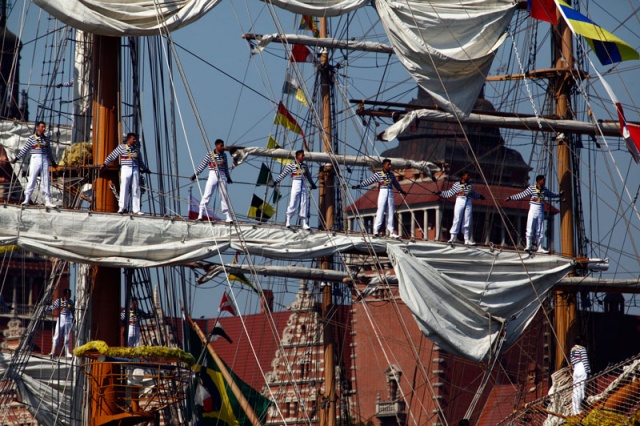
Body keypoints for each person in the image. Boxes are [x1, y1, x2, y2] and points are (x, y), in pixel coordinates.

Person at [505, 174, 561, 253]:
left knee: (540, 229)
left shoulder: (544, 189)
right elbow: (522, 195)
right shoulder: (531, 188)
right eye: (543, 180)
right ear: (539, 181)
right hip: (533, 209)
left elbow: (551, 194)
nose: (544, 181)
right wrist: (511, 198)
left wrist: (559, 194)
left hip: (540, 209)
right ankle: (528, 246)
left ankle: (540, 247)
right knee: (530, 227)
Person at [352, 159, 407, 238]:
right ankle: (376, 230)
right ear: (384, 165)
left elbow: (396, 183)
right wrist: (359, 185)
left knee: (391, 211)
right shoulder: (378, 174)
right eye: (388, 164)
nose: (390, 166)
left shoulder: (391, 175)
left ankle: (391, 232)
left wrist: (401, 190)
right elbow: (369, 181)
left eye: (390, 164)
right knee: (380, 211)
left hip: (390, 192)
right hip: (383, 191)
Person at [11, 121, 57, 208]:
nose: (44, 128)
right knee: (32, 177)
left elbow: (49, 151)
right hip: (35, 158)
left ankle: (47, 200)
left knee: (45, 178)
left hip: (44, 158)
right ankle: (27, 198)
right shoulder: (32, 138)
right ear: (37, 127)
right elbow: (25, 149)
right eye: (42, 127)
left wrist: (52, 161)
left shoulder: (46, 139)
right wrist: (16, 158)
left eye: (44, 127)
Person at [102, 133, 150, 215]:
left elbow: (140, 160)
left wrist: (145, 168)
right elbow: (113, 155)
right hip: (125, 168)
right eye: (133, 139)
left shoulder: (136, 149)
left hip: (135, 168)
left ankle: (136, 210)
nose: (135, 141)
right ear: (129, 139)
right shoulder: (122, 147)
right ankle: (121, 208)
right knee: (124, 187)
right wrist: (105, 163)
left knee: (136, 189)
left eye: (135, 139)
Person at [270, 150, 316, 229]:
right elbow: (284, 173)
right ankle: (288, 219)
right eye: (302, 155)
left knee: (304, 202)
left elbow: (308, 176)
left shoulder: (305, 166)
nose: (303, 157)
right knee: (293, 201)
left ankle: (304, 222)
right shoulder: (292, 165)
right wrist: (276, 181)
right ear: (297, 156)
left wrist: (312, 184)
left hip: (304, 183)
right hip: (296, 182)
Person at [436, 172, 485, 245]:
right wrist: (440, 193)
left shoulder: (470, 185)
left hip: (468, 201)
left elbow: (473, 194)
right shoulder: (457, 184)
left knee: (467, 220)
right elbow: (449, 193)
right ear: (463, 176)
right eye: (467, 175)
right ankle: (453, 237)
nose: (468, 177)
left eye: (469, 175)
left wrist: (480, 196)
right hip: (460, 200)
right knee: (457, 218)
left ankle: (466, 239)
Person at [191, 139, 233, 223]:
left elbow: (226, 167)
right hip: (213, 174)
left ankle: (228, 216)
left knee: (224, 195)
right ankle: (200, 214)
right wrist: (195, 174)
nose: (222, 147)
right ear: (217, 146)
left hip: (222, 175)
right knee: (207, 194)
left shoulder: (224, 155)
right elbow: (203, 165)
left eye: (223, 145)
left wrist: (228, 177)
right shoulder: (210, 154)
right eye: (221, 145)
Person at [46, 289, 74, 357]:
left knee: (67, 336)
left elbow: (73, 310)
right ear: (65, 294)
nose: (69, 296)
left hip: (68, 318)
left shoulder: (71, 302)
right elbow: (53, 307)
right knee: (57, 334)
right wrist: (46, 308)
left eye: (70, 294)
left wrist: (73, 319)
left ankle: (67, 352)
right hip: (61, 318)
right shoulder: (59, 300)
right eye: (68, 294)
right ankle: (53, 351)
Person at [570, 336, 590, 415]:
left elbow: (572, 361)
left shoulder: (572, 349)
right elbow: (585, 360)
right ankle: (579, 408)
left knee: (575, 388)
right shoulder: (582, 349)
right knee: (581, 387)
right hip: (582, 368)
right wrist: (588, 370)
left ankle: (575, 409)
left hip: (576, 369)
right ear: (581, 341)